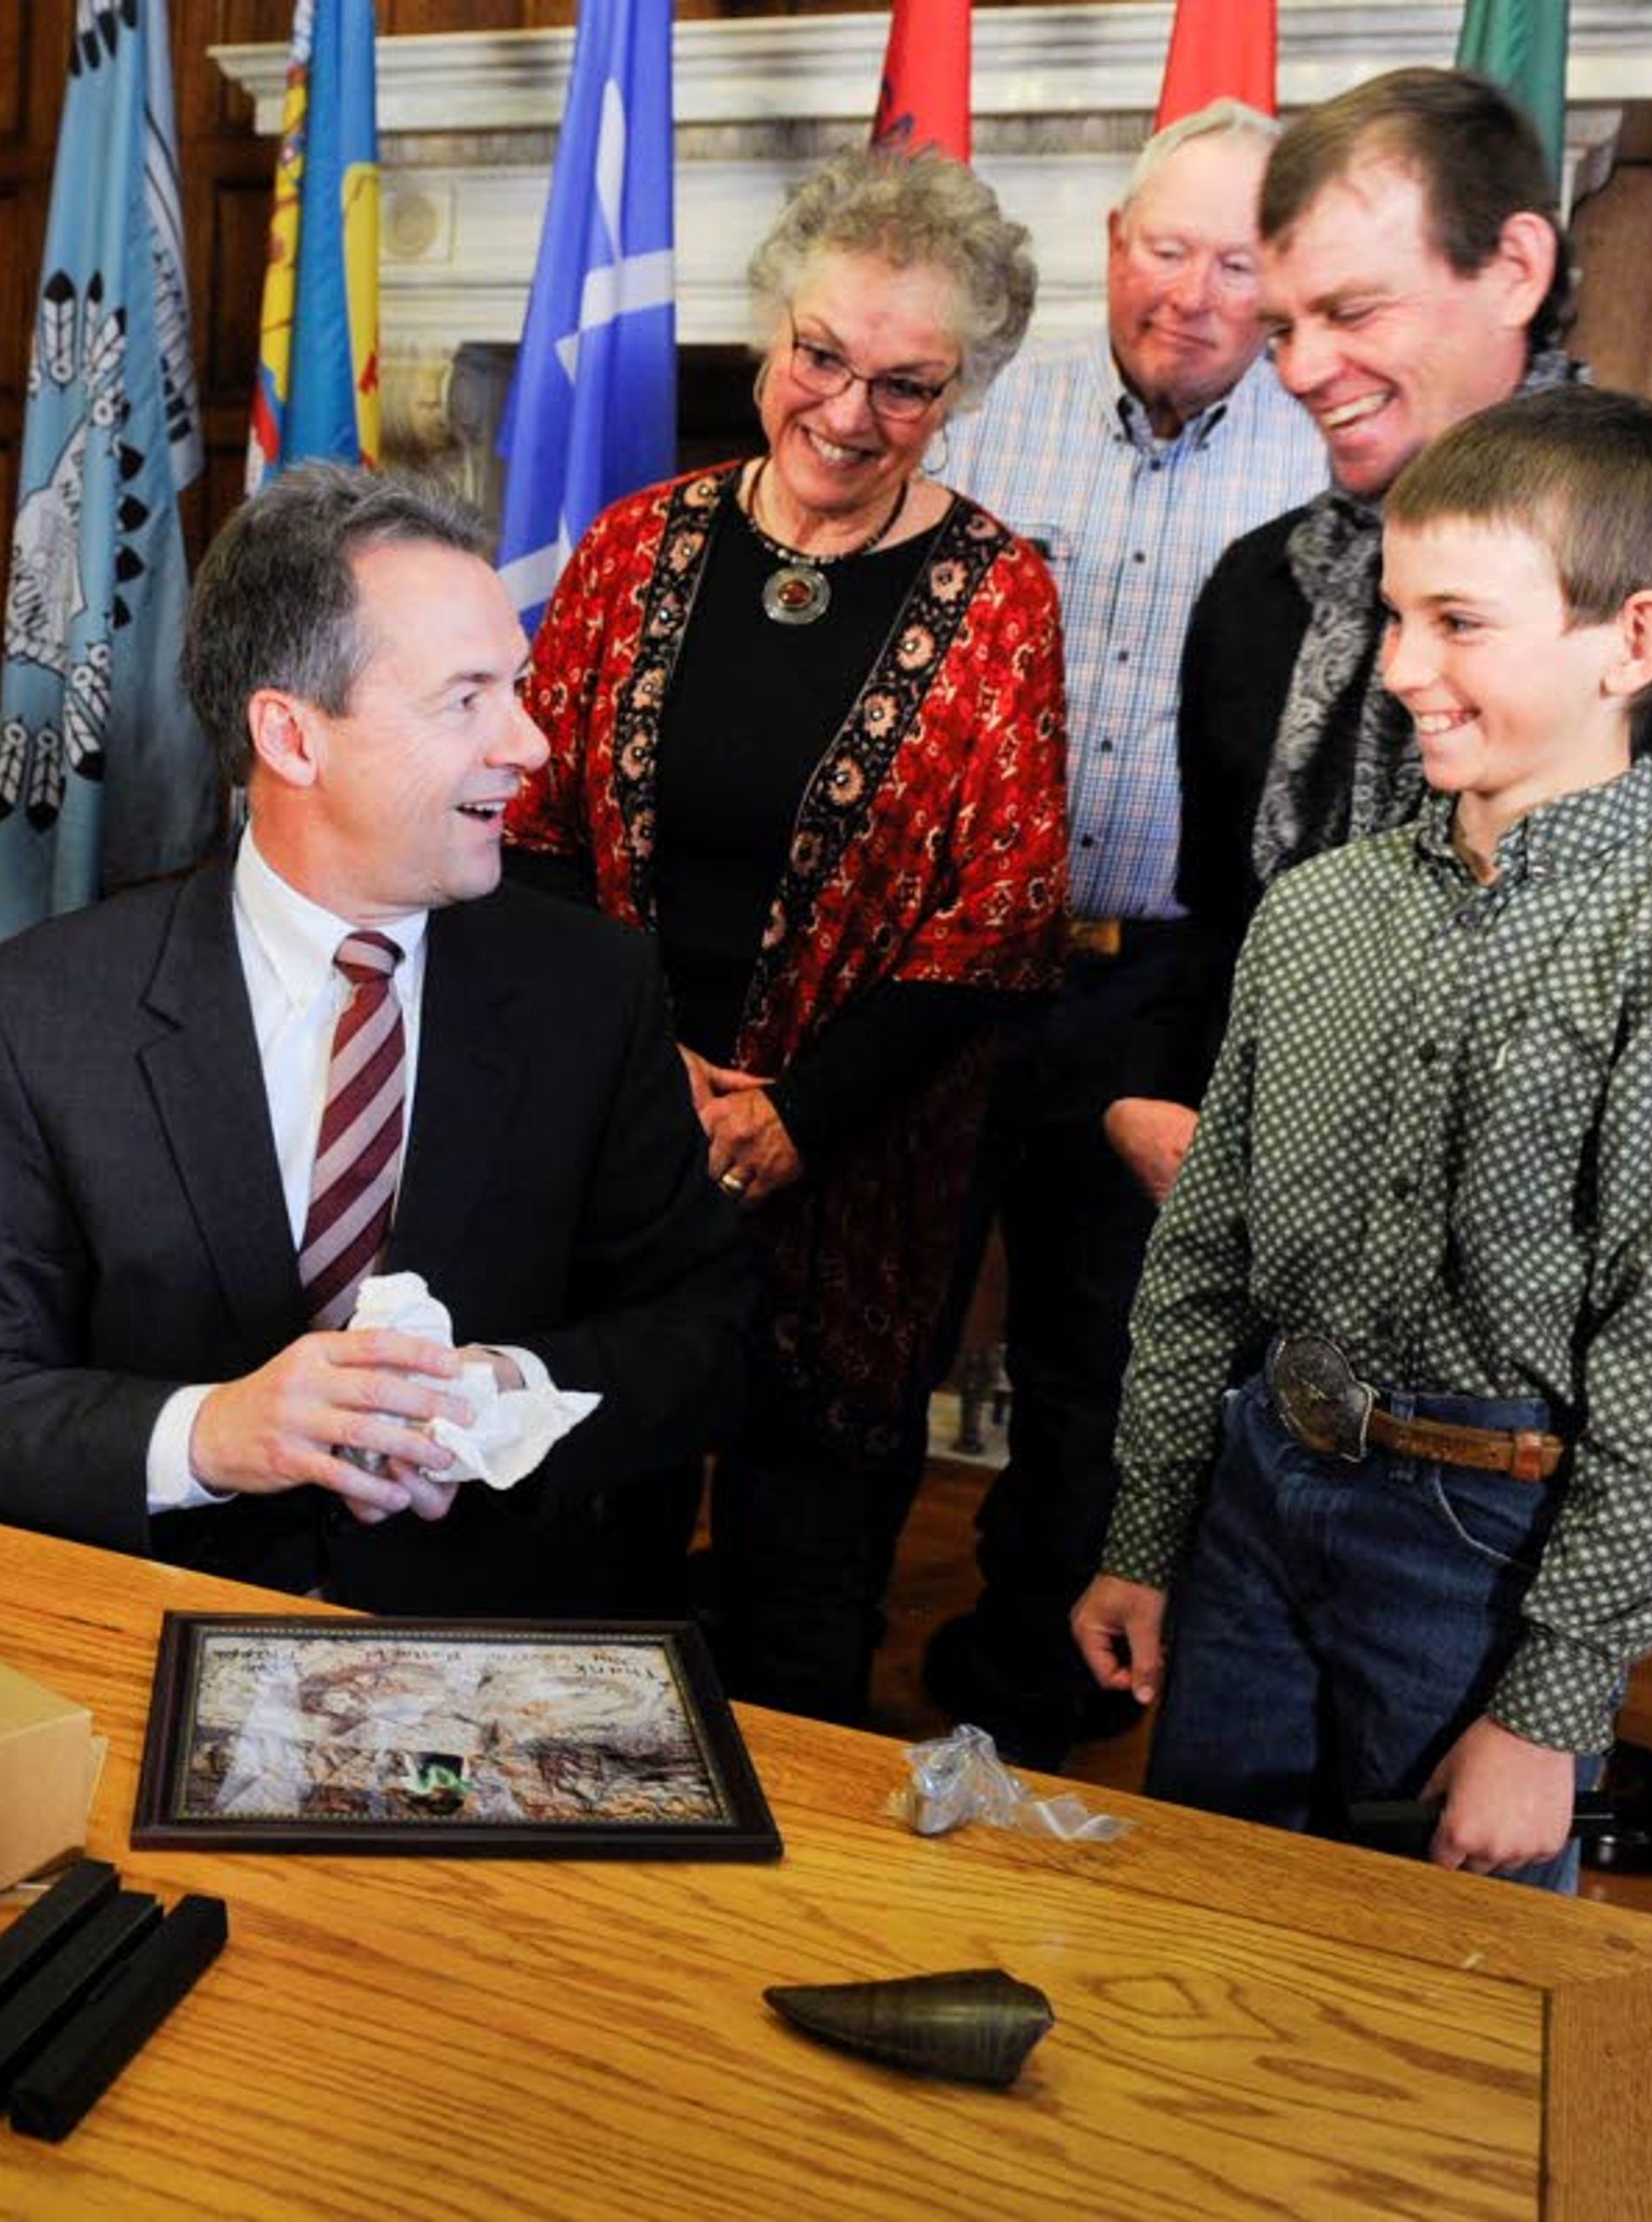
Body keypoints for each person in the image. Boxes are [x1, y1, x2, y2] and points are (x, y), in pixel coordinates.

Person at [1073, 385, 1652, 1890]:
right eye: (1396, 618)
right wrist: (1149, 1527)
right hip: (1255, 1499)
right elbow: (1205, 1259)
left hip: (1489, 1554)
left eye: (1460, 623)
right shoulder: (1316, 913)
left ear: (1631, 642)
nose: (1403, 667)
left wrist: (1552, 1705)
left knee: (1445, 1989)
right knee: (1205, 1919)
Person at [1136, 68, 1652, 1338]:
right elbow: (1219, 928)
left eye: (1353, 309)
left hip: (1564, 1367)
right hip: (1260, 1300)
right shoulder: (1262, 590)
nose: (1302, 367)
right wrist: (1156, 1112)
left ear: (1517, 266)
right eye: (1287, 319)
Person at [0, 463, 752, 1614]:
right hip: (152, 1621)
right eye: (467, 698)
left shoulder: (593, 989)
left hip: (491, 1635)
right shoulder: (43, 1011)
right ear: (292, 737)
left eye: (519, 688)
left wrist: (513, 1387)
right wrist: (210, 1432)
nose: (533, 744)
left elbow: (712, 1335)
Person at [507, 149, 1069, 1723]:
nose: (847, 408)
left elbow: (1003, 909)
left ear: (962, 391)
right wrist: (663, 1079)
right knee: (583, 1533)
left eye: (906, 383)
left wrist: (794, 1114)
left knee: (801, 1590)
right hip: (619, 1130)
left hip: (858, 1161)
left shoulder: (1002, 593)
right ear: (772, 336)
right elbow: (534, 828)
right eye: (821, 355)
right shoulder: (636, 547)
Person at [926, 99, 1329, 1761]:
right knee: (888, 1306)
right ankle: (809, 1634)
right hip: (954, 961)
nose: (1197, 291)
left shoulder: (1328, 462)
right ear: (1113, 247)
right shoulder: (974, 412)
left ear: (1283, 282)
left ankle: (1038, 1666)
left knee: (1102, 1354)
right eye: (1167, 248)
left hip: (1167, 984)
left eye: (1241, 260)